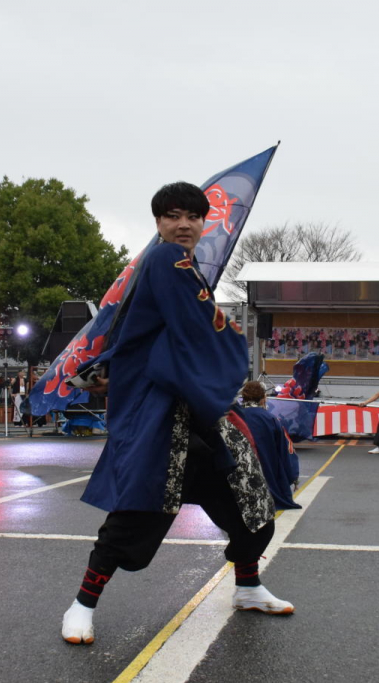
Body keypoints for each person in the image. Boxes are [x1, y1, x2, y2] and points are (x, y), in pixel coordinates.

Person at [61, 182, 292, 646]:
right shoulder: (166, 260)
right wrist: (229, 357)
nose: (183, 224)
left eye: (192, 216)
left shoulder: (181, 269)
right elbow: (198, 336)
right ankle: (81, 605)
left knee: (251, 505)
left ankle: (248, 587)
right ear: (159, 223)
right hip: (165, 417)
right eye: (172, 215)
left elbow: (142, 335)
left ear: (204, 222)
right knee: (134, 516)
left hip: (201, 417)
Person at [236, 381, 301, 510]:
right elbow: (285, 450)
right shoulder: (271, 419)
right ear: (263, 398)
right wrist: (293, 476)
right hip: (267, 478)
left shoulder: (235, 417)